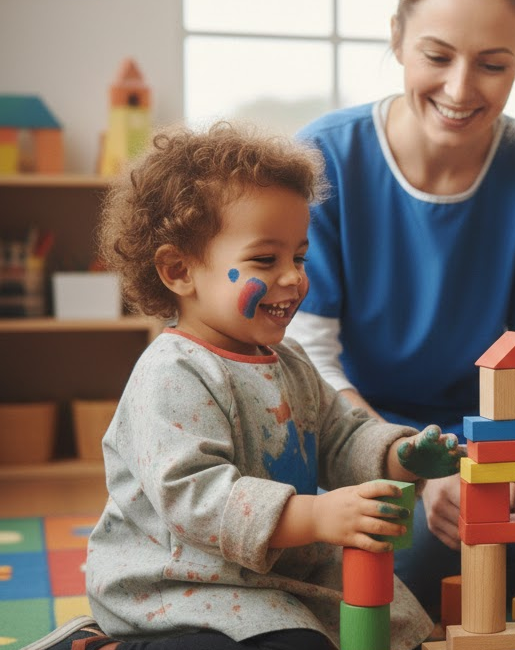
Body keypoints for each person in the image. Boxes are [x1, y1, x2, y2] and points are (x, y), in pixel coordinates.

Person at [25, 122, 462, 650]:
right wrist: (318, 513)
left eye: (298, 257)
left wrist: (400, 455)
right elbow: (196, 495)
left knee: (389, 626)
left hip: (276, 575)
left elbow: (340, 437)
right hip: (177, 587)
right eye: (264, 259)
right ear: (179, 270)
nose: (293, 278)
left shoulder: (290, 361)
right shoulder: (172, 373)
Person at [286, 0, 515, 616]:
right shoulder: (326, 158)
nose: (460, 88)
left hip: (487, 439)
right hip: (355, 437)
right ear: (398, 40)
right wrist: (420, 472)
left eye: (492, 64)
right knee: (388, 538)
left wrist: (502, 468)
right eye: (437, 56)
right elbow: (312, 362)